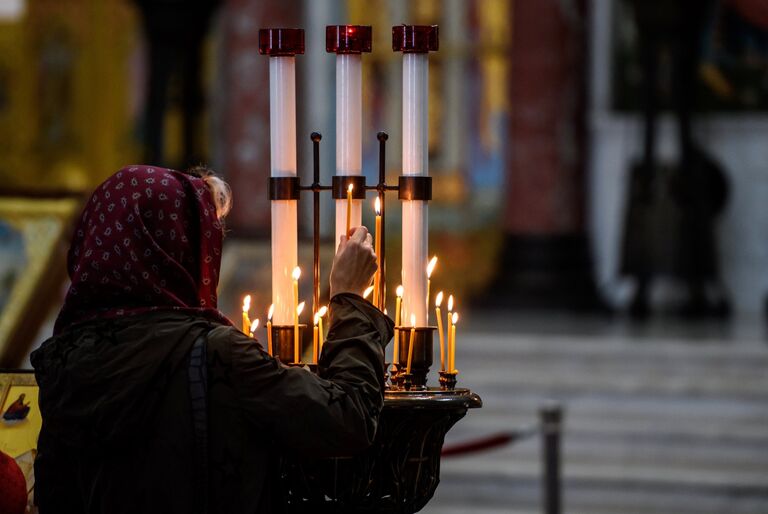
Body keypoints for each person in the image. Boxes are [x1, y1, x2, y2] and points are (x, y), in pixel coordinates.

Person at [31, 164, 393, 513]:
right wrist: (350, 300)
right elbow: (349, 418)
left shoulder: (64, 362)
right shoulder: (214, 353)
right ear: (178, 252)